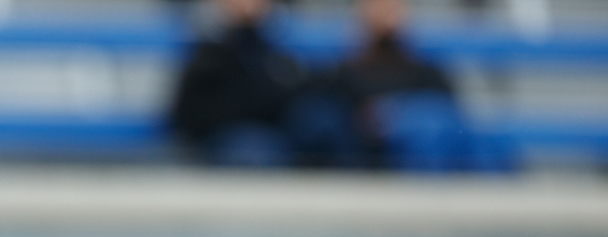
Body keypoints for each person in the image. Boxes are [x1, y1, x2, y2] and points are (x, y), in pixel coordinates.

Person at [170, 0, 307, 166]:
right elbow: (190, 112)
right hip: (221, 136)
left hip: (269, 132)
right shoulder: (205, 49)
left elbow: (290, 93)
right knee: (254, 148)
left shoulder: (274, 49)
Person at [331, 0, 459, 169]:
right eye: (378, 7)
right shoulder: (346, 72)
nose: (386, 14)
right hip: (364, 148)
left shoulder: (425, 71)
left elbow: (448, 107)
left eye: (392, 7)